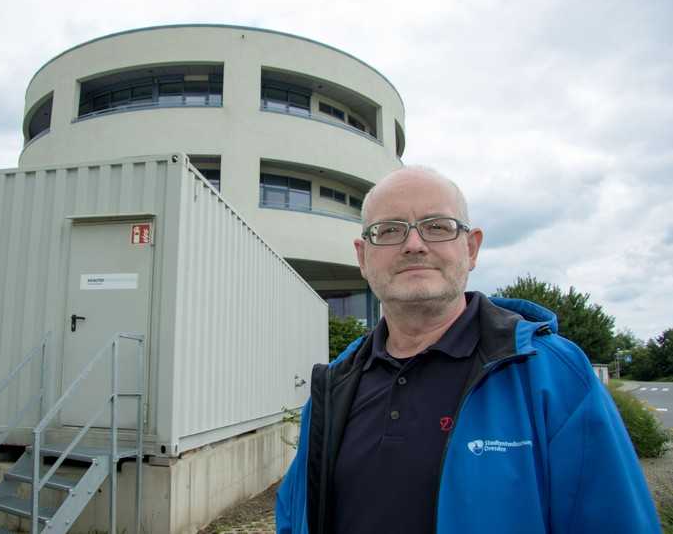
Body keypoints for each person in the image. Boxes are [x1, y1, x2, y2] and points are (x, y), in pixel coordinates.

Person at [275, 166, 660, 534]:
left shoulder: (554, 375)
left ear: (471, 248)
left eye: (437, 227)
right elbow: (295, 515)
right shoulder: (335, 383)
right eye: (388, 230)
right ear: (362, 256)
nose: (413, 245)